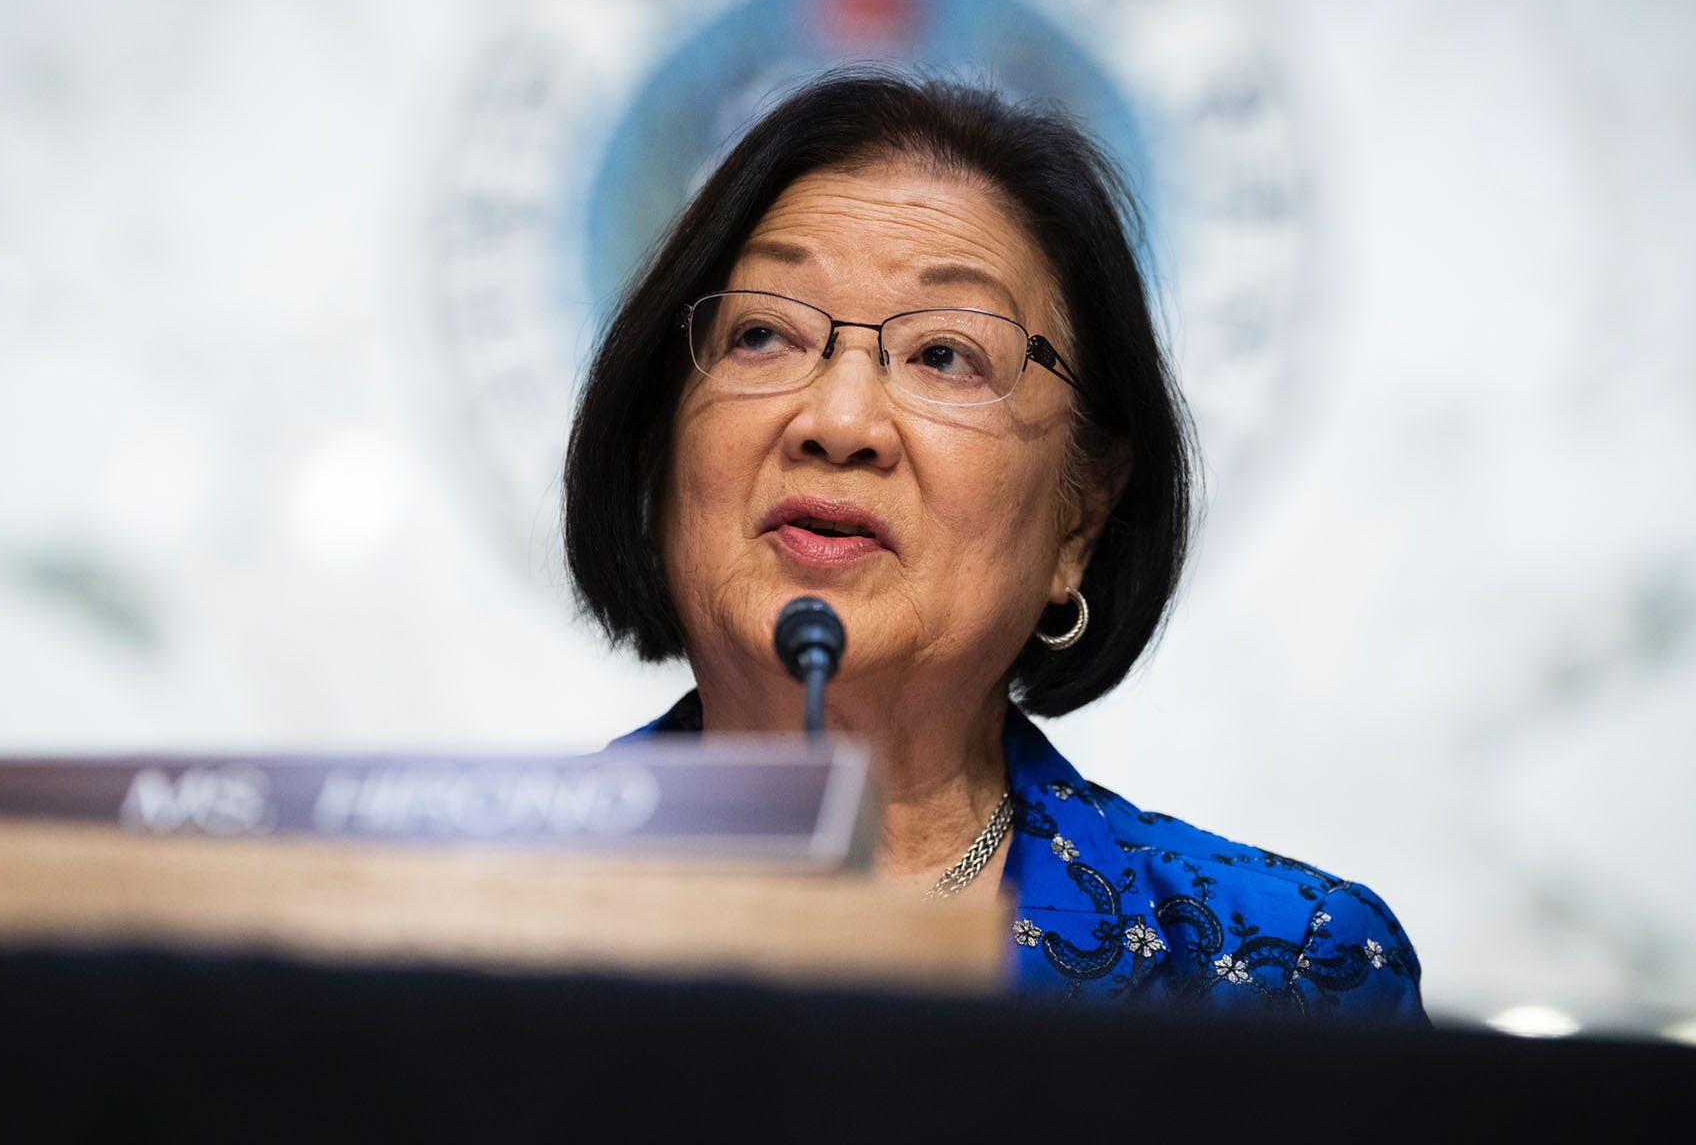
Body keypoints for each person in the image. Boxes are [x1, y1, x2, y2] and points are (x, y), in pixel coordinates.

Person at [564, 70, 1424, 1020]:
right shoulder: (465, 913)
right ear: (659, 447)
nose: (840, 420)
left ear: (1080, 516)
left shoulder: (1281, 978)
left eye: (946, 354)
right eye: (765, 334)